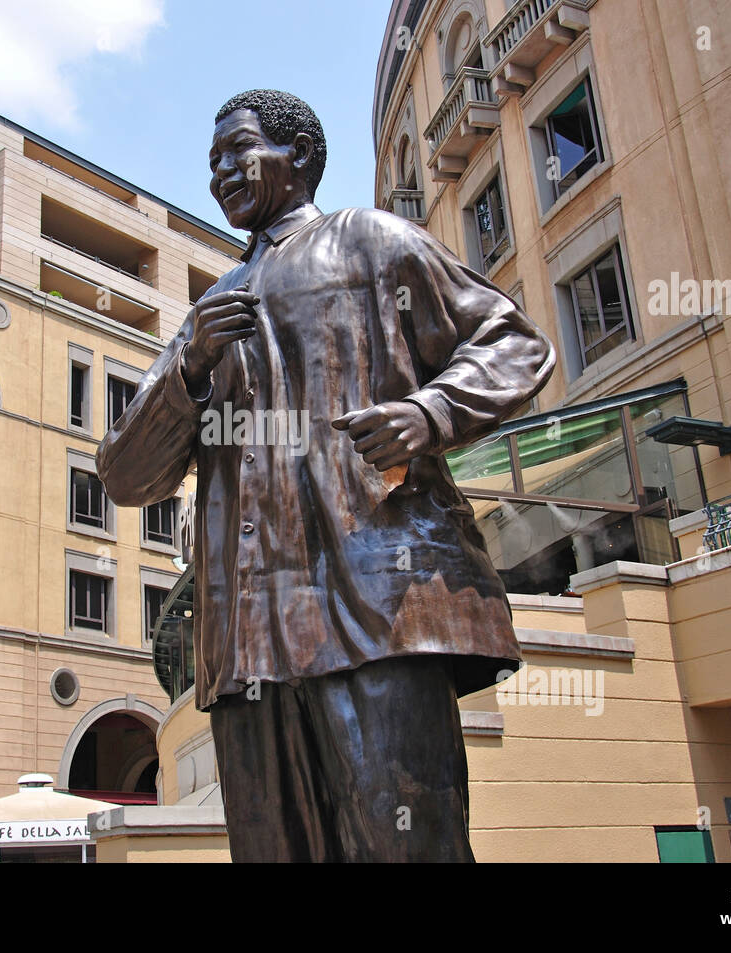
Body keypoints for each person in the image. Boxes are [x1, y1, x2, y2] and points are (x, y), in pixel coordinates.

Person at [97, 89, 554, 861]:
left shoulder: (370, 241)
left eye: (237, 151)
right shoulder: (208, 312)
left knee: (406, 842)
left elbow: (513, 341)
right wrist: (190, 367)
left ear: (299, 155)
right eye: (210, 162)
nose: (220, 173)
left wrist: (431, 411)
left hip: (376, 607)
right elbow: (125, 473)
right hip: (246, 647)